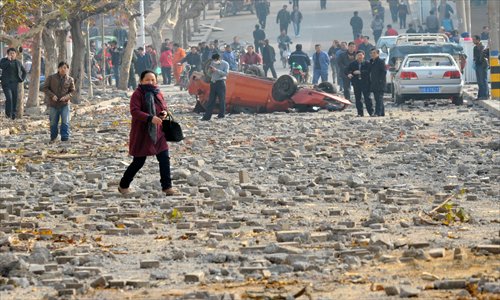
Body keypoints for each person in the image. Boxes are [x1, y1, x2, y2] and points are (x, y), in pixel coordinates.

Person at [118, 70, 176, 196]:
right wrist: (150, 118)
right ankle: (123, 185)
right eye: (147, 80)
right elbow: (135, 111)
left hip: (158, 132)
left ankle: (167, 187)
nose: (150, 82)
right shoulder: (137, 94)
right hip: (142, 133)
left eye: (152, 80)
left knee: (164, 158)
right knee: (139, 161)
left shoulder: (158, 93)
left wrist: (164, 113)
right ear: (141, 81)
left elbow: (164, 107)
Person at [43, 61, 75, 142]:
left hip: (65, 104)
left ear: (68, 69)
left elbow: (73, 91)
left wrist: (67, 97)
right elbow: (45, 88)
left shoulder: (70, 79)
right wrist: (52, 96)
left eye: (65, 68)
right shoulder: (51, 78)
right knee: (53, 122)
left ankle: (65, 137)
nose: (63, 69)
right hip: (53, 104)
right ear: (58, 68)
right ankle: (54, 137)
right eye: (61, 68)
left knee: (65, 121)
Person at [0, 48, 27, 119]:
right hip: (6, 84)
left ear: (15, 54)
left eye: (13, 53)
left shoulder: (18, 62)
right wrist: (8, 60)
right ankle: (8, 115)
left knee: (14, 99)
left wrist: (22, 79)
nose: (12, 54)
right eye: (10, 53)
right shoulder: (4, 60)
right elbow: (2, 66)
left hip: (15, 84)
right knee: (9, 98)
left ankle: (13, 115)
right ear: (7, 54)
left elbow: (24, 72)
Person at [201, 53, 229, 121]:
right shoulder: (212, 63)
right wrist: (210, 71)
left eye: (215, 60)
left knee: (221, 100)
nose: (214, 61)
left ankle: (221, 115)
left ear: (219, 59)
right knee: (211, 100)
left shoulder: (225, 64)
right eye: (213, 60)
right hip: (213, 83)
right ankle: (207, 117)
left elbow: (226, 74)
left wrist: (216, 70)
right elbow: (209, 73)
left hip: (221, 83)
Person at [346, 50, 373, 117]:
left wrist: (360, 72)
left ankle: (371, 112)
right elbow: (347, 70)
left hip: (365, 83)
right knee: (358, 98)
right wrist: (349, 73)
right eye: (358, 55)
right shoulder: (353, 63)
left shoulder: (367, 63)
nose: (360, 57)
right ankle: (360, 113)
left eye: (361, 55)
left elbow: (369, 71)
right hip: (356, 83)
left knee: (367, 98)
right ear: (356, 56)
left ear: (363, 56)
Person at [369, 49, 386, 116]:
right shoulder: (371, 62)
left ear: (378, 54)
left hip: (380, 83)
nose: (372, 54)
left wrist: (380, 80)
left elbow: (384, 72)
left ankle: (377, 112)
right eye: (371, 53)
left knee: (379, 98)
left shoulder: (381, 61)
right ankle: (382, 112)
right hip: (373, 83)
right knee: (378, 98)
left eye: (374, 53)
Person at [473, 35, 489, 100]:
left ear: (478, 40)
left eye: (474, 39)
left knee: (483, 80)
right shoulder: (475, 48)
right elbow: (475, 57)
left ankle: (485, 95)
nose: (473, 41)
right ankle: (480, 95)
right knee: (479, 81)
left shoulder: (483, 47)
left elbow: (483, 56)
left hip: (483, 65)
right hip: (477, 65)